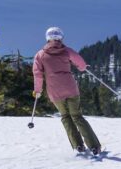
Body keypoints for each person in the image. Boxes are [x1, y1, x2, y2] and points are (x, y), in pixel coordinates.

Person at [32, 27, 102, 155]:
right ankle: (94, 146)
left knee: (65, 116)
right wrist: (83, 67)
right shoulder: (67, 51)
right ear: (61, 37)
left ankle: (78, 146)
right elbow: (81, 64)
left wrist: (38, 90)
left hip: (55, 92)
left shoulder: (40, 55)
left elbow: (38, 74)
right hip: (70, 89)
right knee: (77, 116)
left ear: (47, 37)